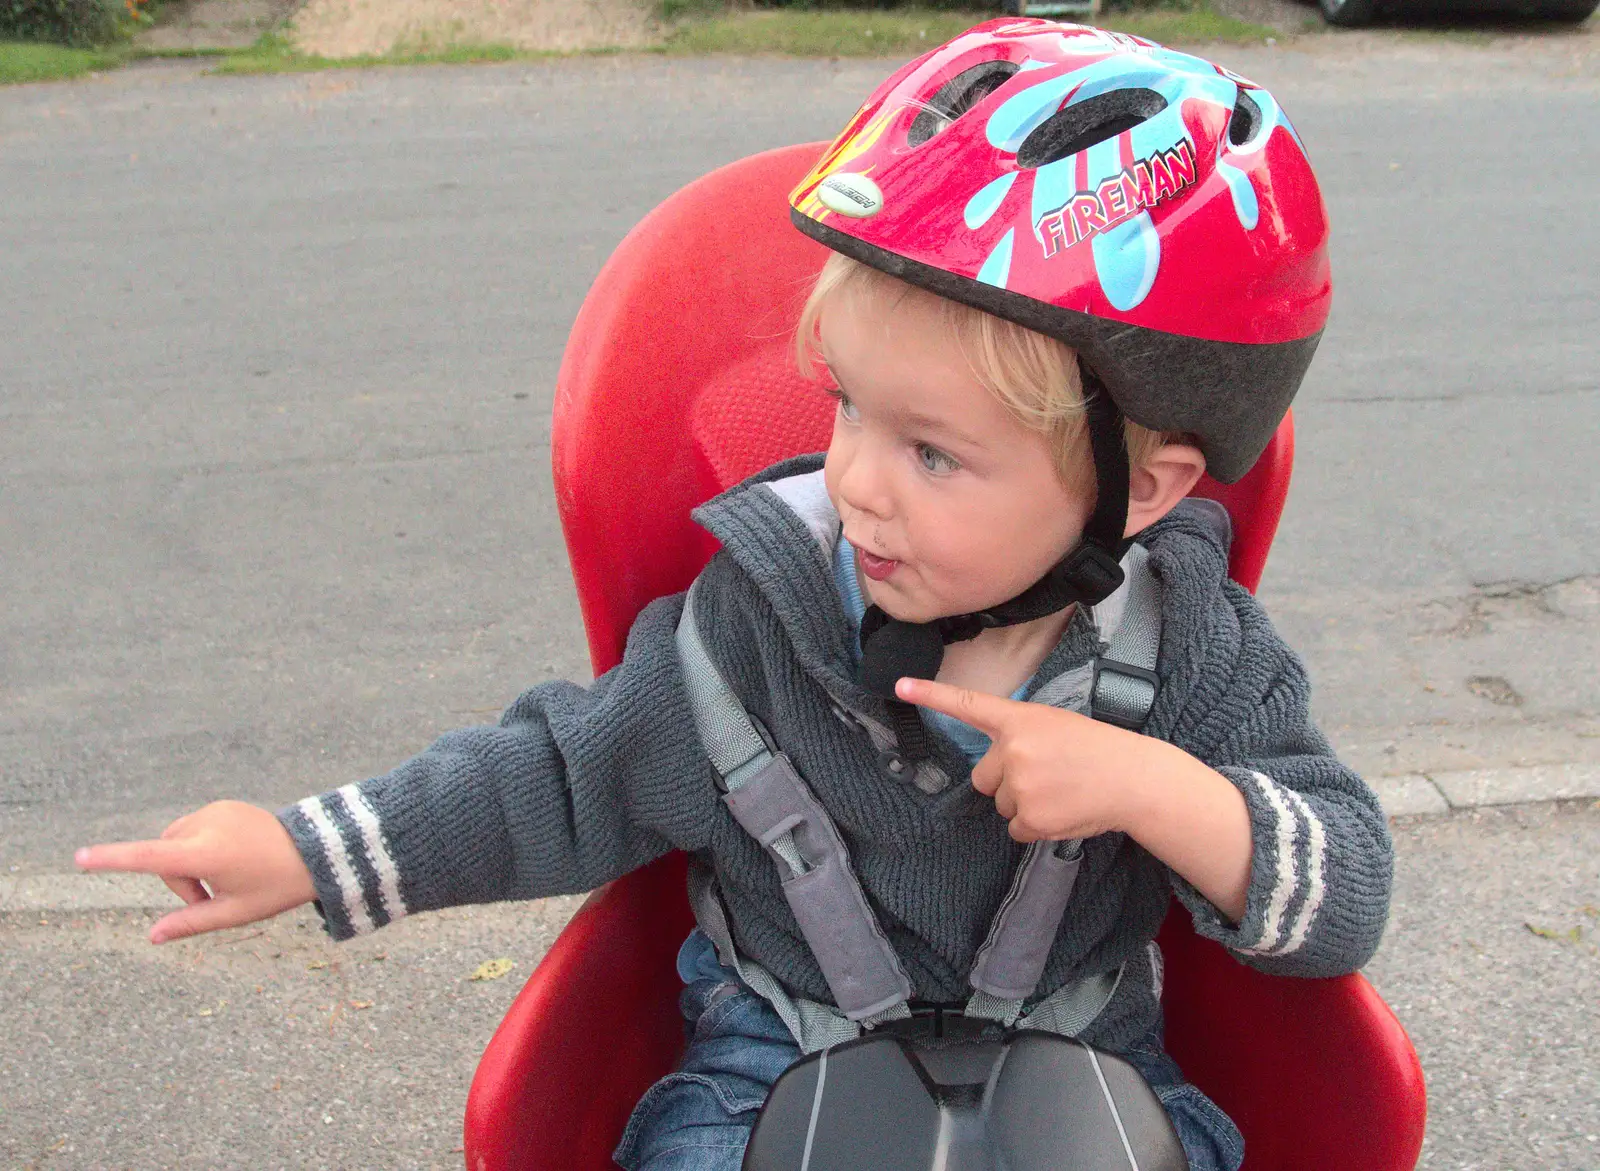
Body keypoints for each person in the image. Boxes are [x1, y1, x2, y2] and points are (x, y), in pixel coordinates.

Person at [76, 21, 1392, 1171]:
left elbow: (1342, 897)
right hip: (771, 1062)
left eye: (932, 452)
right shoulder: (753, 626)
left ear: (1143, 488)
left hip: (1088, 1079)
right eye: (850, 410)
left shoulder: (1194, 651)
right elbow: (552, 781)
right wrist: (305, 848)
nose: (857, 483)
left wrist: (1146, 787)